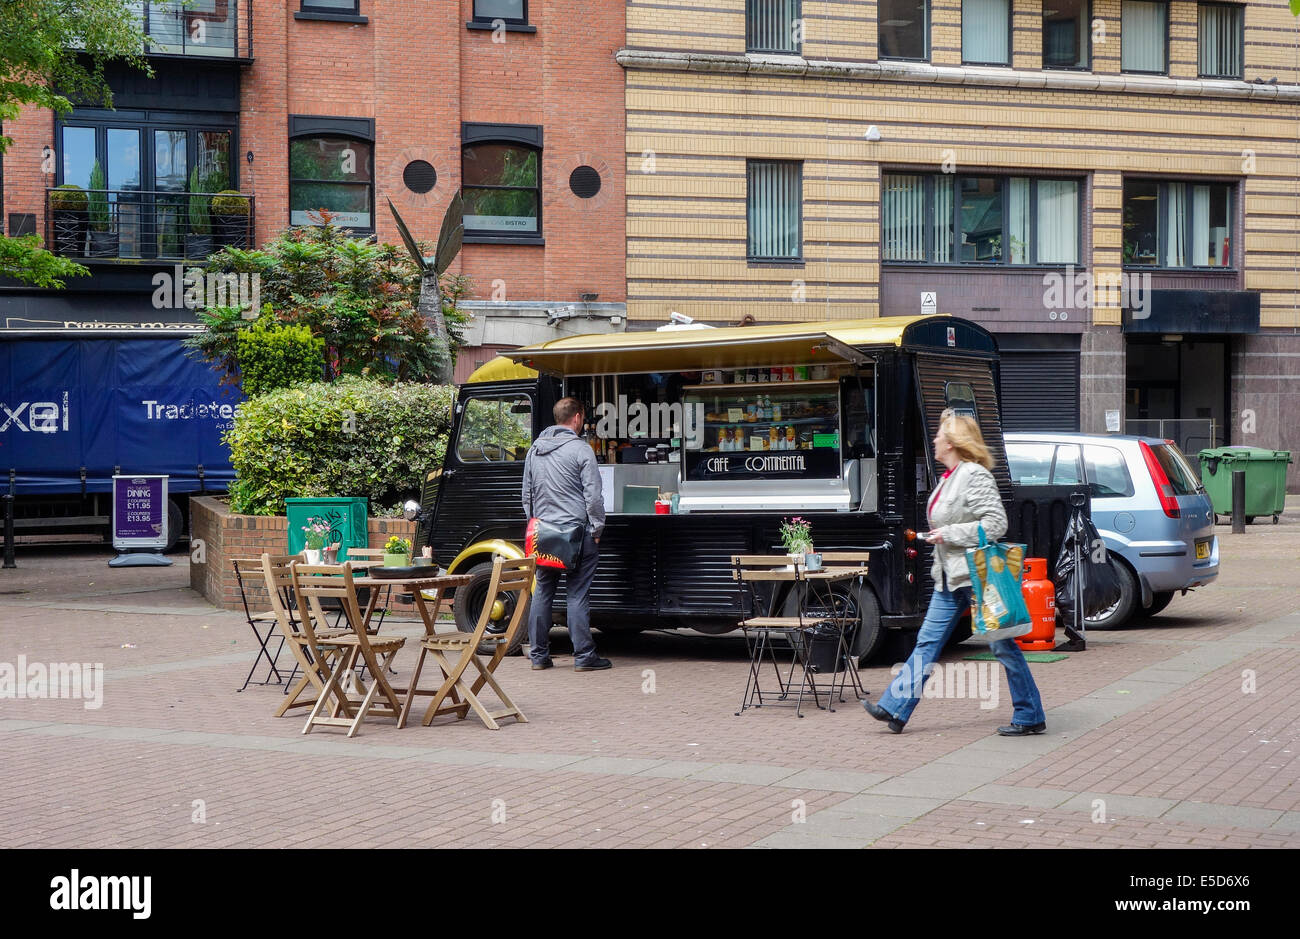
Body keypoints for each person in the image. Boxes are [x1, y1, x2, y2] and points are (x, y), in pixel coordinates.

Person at [863, 412, 1046, 736]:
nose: (933, 440)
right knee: (926, 643)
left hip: (977, 577)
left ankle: (1030, 714)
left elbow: (995, 524)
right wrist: (940, 535)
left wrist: (949, 533)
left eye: (938, 435)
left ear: (952, 442)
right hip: (949, 578)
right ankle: (895, 707)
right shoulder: (950, 476)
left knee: (1003, 645)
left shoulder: (975, 475)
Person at [522, 397, 612, 672]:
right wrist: (597, 528)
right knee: (577, 594)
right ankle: (584, 656)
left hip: (544, 533)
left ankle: (538, 656)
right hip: (577, 533)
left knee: (542, 592)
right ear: (577, 418)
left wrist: (535, 524)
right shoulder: (580, 450)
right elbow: (593, 497)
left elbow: (527, 495)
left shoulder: (534, 450)